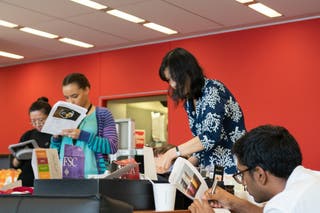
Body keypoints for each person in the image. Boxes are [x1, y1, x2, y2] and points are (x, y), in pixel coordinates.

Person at [188, 124, 320, 213]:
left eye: (241, 175)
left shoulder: (284, 206)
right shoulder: (312, 179)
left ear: (260, 175)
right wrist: (232, 203)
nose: (243, 182)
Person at [157, 47, 246, 174]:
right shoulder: (190, 101)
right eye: (169, 80)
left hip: (234, 168)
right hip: (213, 171)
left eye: (174, 78)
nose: (173, 85)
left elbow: (209, 137)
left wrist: (172, 152)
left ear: (188, 72)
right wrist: (181, 168)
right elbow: (202, 147)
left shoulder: (213, 90)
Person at [50, 72, 118, 178]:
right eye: (66, 97)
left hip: (93, 178)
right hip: (65, 179)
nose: (70, 102)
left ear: (86, 90)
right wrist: (56, 139)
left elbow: (112, 146)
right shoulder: (62, 115)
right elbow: (53, 152)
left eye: (75, 96)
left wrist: (83, 136)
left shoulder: (103, 114)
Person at [10, 97, 52, 186]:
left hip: (47, 183)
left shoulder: (56, 135)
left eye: (41, 120)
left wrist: (42, 153)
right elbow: (14, 165)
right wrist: (19, 157)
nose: (37, 124)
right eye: (33, 121)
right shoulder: (27, 135)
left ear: (50, 117)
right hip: (25, 182)